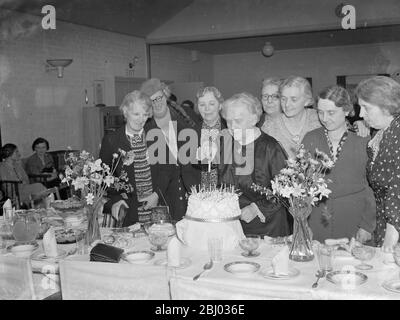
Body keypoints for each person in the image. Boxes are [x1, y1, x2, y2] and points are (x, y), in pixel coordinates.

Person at [302, 85, 376, 243]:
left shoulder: (364, 140)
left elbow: (373, 187)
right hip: (317, 219)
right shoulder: (310, 139)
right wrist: (302, 222)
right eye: (320, 112)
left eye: (331, 112)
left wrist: (367, 225)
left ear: (347, 110)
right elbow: (302, 186)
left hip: (354, 219)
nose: (325, 118)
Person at [219, 92, 291, 237]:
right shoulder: (226, 144)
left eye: (238, 121)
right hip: (233, 226)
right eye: (228, 121)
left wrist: (255, 208)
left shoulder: (270, 147)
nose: (232, 127)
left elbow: (285, 190)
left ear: (253, 119)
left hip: (268, 226)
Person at [140, 78, 197, 221]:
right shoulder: (145, 129)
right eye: (152, 100)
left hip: (190, 187)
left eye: (159, 97)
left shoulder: (185, 118)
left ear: (165, 95)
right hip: (164, 191)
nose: (157, 103)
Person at [99, 90, 159, 226]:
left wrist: (156, 194)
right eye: (136, 114)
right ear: (125, 112)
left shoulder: (156, 136)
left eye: (145, 114)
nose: (141, 119)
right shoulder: (112, 141)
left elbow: (168, 170)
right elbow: (104, 177)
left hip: (157, 207)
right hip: (129, 210)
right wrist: (116, 199)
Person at [355, 76, 400, 251]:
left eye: (366, 108)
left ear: (386, 105)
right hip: (386, 223)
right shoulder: (382, 133)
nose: (360, 115)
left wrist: (391, 237)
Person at [262, 76, 321, 159]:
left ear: (307, 101)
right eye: (283, 99)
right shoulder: (269, 127)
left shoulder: (319, 119)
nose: (287, 104)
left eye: (293, 99)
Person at [192, 86, 227, 188]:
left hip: (225, 192)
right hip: (198, 193)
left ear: (220, 105)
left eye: (211, 104)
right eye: (202, 104)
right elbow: (187, 169)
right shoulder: (192, 132)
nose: (207, 108)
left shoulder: (231, 131)